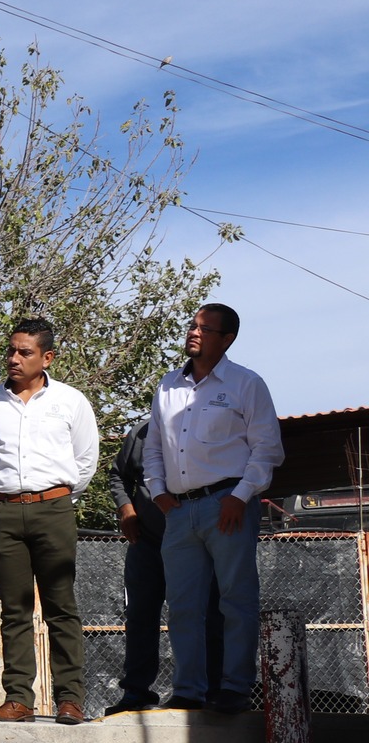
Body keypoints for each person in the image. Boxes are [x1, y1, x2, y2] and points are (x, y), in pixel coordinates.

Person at [143, 303, 284, 713]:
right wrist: (159, 493)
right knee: (183, 605)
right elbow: (154, 448)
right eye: (192, 325)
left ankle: (235, 689)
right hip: (178, 512)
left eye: (205, 328)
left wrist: (239, 496)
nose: (194, 332)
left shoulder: (246, 383)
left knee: (235, 601)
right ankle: (189, 691)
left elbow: (267, 449)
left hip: (228, 506)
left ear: (227, 339)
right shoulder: (168, 385)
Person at [0, 317, 100, 724]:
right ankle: (18, 699)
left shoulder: (71, 402)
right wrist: (2, 494)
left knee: (61, 606)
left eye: (25, 352)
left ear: (47, 357)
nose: (14, 358)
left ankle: (70, 700)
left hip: (54, 510)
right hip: (2, 512)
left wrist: (56, 497)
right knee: (15, 609)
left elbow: (86, 459)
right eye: (11, 350)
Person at [108, 417, 223, 712]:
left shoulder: (209, 425)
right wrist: (126, 509)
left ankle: (210, 690)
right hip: (147, 542)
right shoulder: (142, 432)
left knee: (205, 613)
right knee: (140, 615)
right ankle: (136, 692)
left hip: (196, 542)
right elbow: (118, 475)